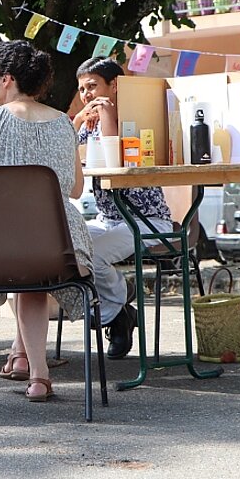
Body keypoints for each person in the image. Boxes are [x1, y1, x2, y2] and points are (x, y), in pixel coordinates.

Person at [0, 40, 93, 403]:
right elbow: (75, 189)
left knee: (23, 268)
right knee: (33, 277)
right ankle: (38, 374)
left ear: (7, 79)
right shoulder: (63, 122)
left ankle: (32, 366)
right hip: (60, 246)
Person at [70, 56, 173, 358]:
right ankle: (121, 304)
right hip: (109, 218)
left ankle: (114, 313)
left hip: (148, 220)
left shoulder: (135, 117)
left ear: (114, 86)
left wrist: (107, 115)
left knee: (95, 253)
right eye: (81, 89)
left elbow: (115, 159)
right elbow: (65, 152)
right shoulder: (88, 125)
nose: (87, 95)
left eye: (93, 86)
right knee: (66, 245)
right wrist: (78, 120)